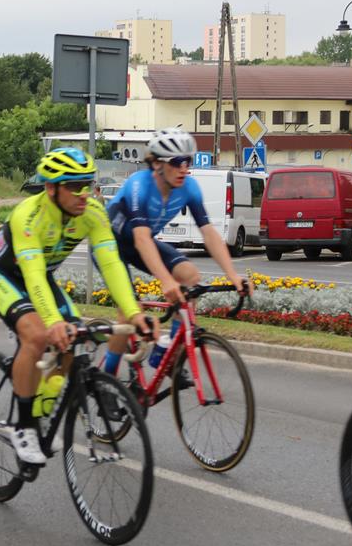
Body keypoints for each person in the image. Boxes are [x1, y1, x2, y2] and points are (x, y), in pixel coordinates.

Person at [0, 147, 153, 465]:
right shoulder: (29, 216)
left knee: (74, 339)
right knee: (37, 335)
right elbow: (32, 276)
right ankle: (24, 427)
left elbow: (111, 263)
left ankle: (41, 406)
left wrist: (133, 312)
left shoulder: (93, 212)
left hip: (40, 277)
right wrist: (52, 322)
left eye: (88, 183)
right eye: (74, 186)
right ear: (51, 188)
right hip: (2, 276)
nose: (84, 193)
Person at [102, 127, 250, 376]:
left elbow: (209, 233)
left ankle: (168, 355)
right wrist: (166, 281)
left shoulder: (189, 188)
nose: (184, 169)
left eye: (187, 161)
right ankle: (106, 379)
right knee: (128, 313)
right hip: (111, 246)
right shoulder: (139, 185)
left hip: (141, 243)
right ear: (157, 164)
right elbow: (142, 238)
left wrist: (233, 275)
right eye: (177, 162)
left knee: (190, 276)